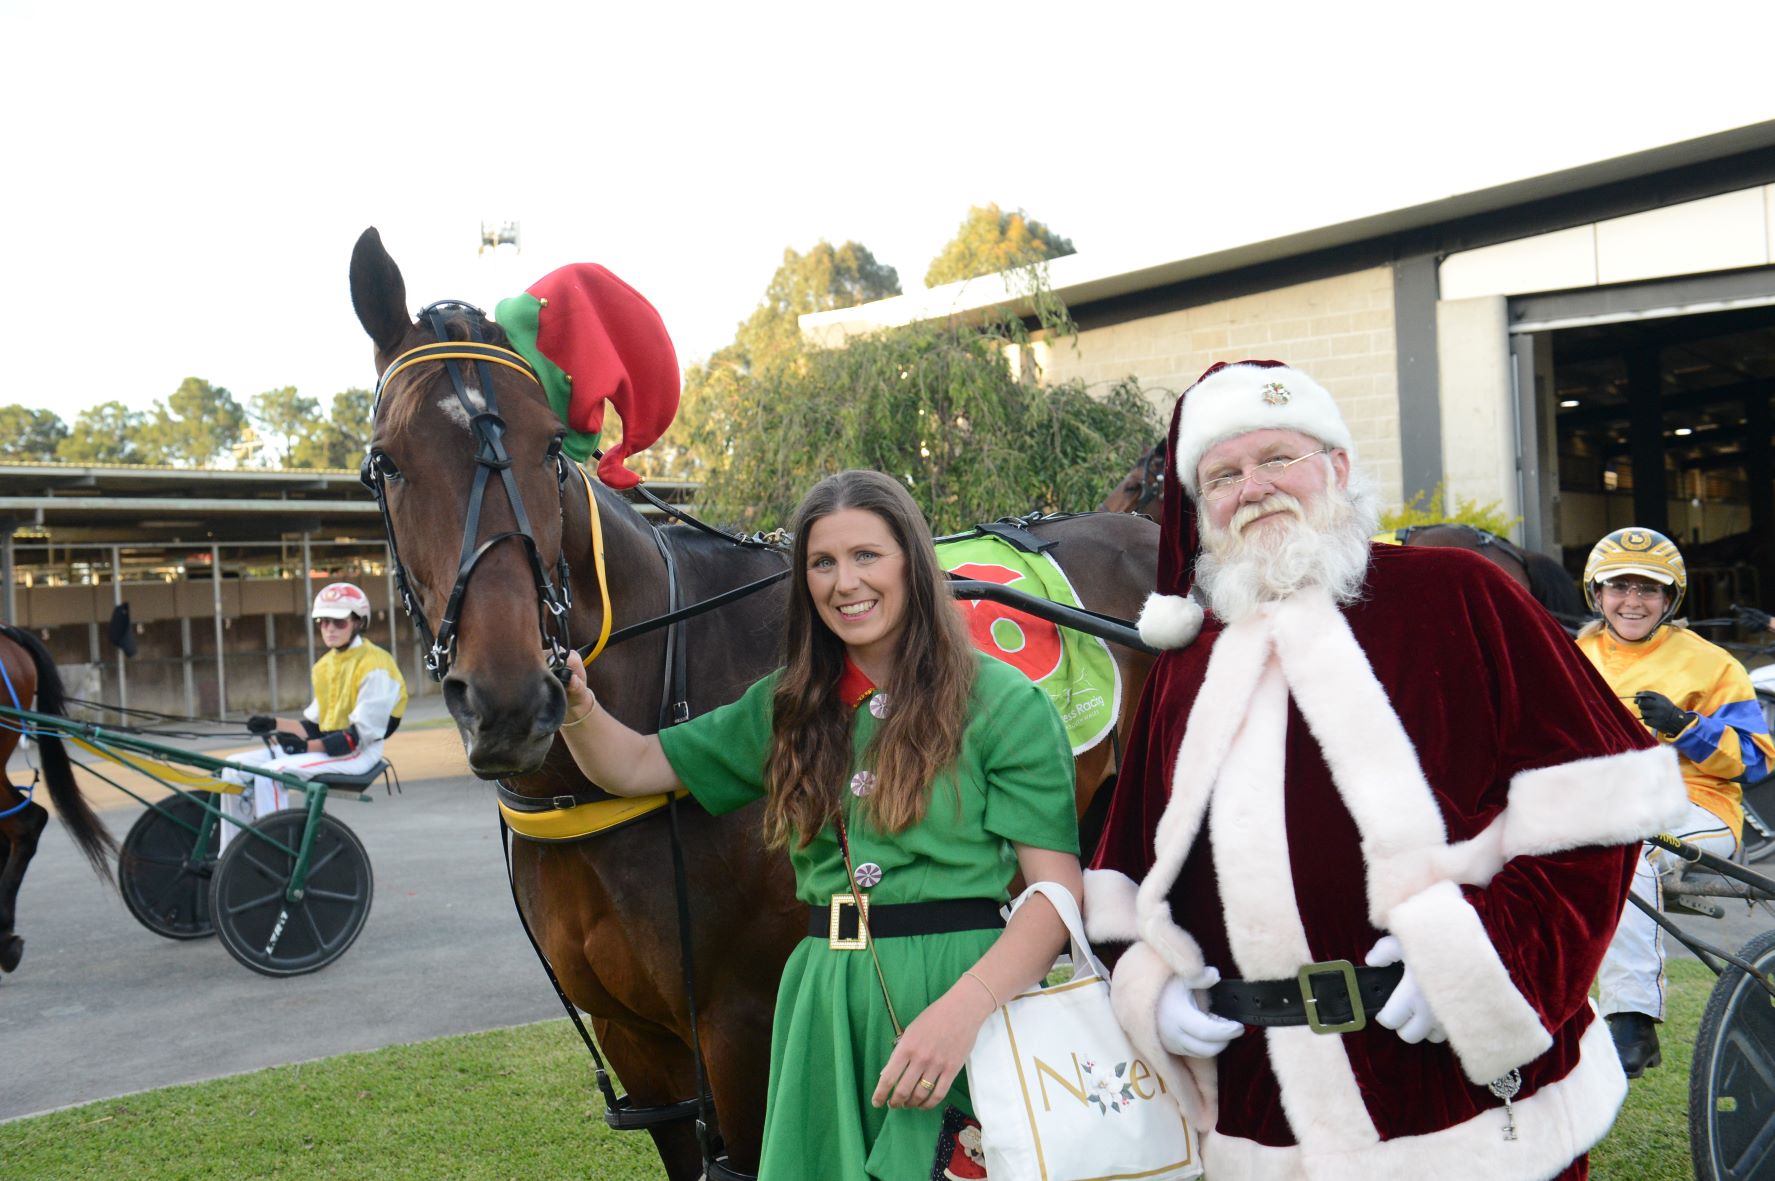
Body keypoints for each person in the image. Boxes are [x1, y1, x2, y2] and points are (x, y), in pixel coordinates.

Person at [1085, 360, 1688, 1181]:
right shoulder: (1187, 664)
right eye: (1223, 475)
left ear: (1335, 465)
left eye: (1277, 458)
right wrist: (1146, 980)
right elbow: (1124, 868)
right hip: (1263, 1121)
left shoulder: (1460, 595)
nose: (1253, 488)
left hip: (1460, 1099)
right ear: (1200, 509)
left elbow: (1600, 804)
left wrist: (1483, 963)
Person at [555, 469, 1081, 1181]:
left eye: (867, 555)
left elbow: (1054, 901)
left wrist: (961, 1014)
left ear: (913, 564)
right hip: (821, 1003)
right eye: (822, 562)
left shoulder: (1003, 702)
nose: (844, 582)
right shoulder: (787, 706)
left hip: (962, 998)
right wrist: (576, 707)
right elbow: (637, 764)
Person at [1575, 528, 1775, 1077]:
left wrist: (1688, 727)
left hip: (1698, 808)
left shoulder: (1713, 665)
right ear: (1597, 593)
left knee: (1627, 850)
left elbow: (1758, 760)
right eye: (1620, 587)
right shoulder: (1571, 657)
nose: (1633, 602)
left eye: (1649, 590)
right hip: (1599, 810)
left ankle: (1632, 1021)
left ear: (1671, 599)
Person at [219, 582, 407, 849]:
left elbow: (357, 738)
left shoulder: (376, 665)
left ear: (358, 622)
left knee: (271, 773)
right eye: (323, 621)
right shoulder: (324, 666)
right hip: (331, 747)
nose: (329, 628)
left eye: (338, 622)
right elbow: (315, 725)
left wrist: (305, 747)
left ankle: (272, 849)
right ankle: (232, 850)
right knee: (233, 768)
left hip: (359, 753)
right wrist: (272, 723)